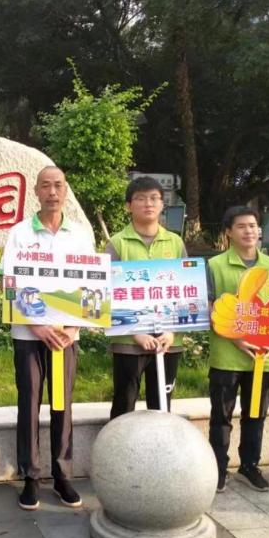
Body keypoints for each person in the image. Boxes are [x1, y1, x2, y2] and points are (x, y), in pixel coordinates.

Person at [2, 166, 95, 511]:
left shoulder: (80, 234)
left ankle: (62, 475)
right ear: (36, 192)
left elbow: (91, 285)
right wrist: (36, 325)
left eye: (58, 185)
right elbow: (9, 284)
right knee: (29, 403)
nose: (52, 192)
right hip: (28, 335)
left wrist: (73, 329)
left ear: (65, 190)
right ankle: (30, 477)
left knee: (62, 404)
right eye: (45, 186)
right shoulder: (19, 233)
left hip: (67, 337)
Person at [206, 206, 269, 493]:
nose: (249, 231)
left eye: (253, 226)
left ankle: (250, 466)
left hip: (262, 357)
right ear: (228, 232)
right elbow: (209, 307)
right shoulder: (215, 265)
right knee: (221, 417)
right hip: (227, 356)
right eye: (242, 226)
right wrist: (236, 339)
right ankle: (217, 469)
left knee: (256, 414)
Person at [105, 175, 187, 417]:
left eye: (154, 198)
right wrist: (136, 332)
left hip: (167, 343)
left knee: (161, 407)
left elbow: (186, 290)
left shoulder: (175, 242)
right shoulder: (117, 243)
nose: (148, 204)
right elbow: (106, 292)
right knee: (124, 404)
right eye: (140, 199)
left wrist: (171, 332)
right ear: (128, 206)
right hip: (128, 342)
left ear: (162, 204)